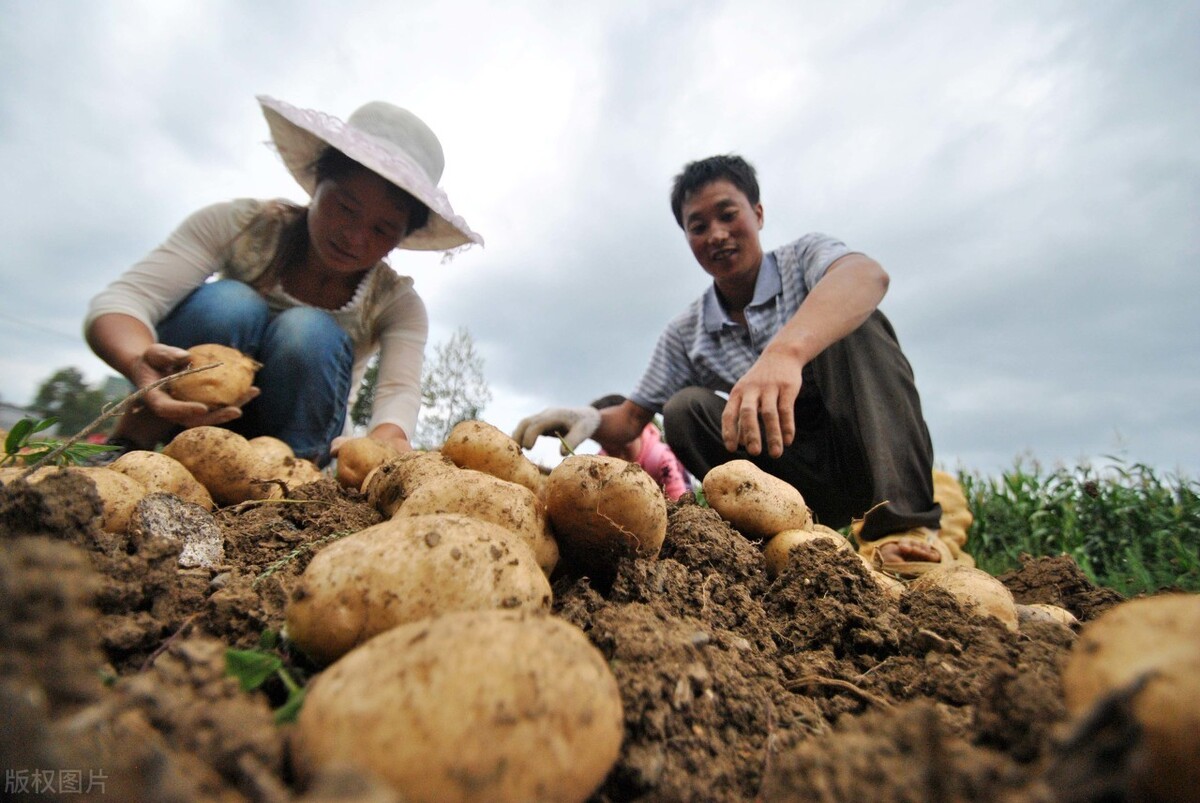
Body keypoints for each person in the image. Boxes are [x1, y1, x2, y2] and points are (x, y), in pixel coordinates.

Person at [514, 154, 970, 577]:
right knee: (683, 409)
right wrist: (589, 418)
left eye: (728, 214)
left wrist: (786, 352)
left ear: (758, 213)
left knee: (855, 324)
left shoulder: (805, 259)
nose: (715, 234)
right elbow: (633, 420)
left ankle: (902, 530)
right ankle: (784, 535)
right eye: (698, 225)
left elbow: (867, 276)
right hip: (790, 478)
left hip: (864, 455)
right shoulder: (686, 332)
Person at [84, 95, 481, 467]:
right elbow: (120, 304)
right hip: (184, 418)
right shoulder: (240, 225)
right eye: (345, 207)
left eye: (382, 229)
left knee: (307, 331)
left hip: (288, 449)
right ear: (316, 182)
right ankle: (131, 445)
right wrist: (139, 363)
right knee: (229, 304)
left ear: (403, 237)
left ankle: (289, 489)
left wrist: (387, 439)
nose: (355, 237)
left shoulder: (397, 303)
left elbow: (398, 393)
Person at [590, 394, 693, 501]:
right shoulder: (601, 462)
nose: (608, 448)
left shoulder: (660, 458)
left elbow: (679, 499)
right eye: (601, 442)